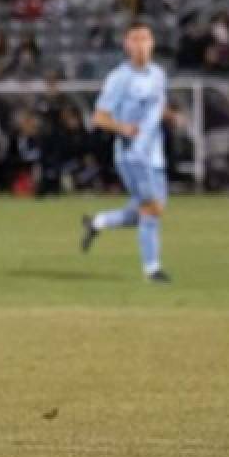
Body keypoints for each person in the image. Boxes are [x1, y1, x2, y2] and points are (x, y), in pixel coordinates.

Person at [81, 20, 176, 282]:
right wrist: (122, 127)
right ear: (126, 45)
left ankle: (97, 222)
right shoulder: (119, 78)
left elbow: (157, 107)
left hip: (155, 155)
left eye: (145, 39)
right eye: (135, 39)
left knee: (145, 212)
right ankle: (152, 269)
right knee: (151, 209)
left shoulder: (158, 75)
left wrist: (171, 116)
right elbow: (99, 118)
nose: (141, 45)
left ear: (153, 43)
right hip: (133, 156)